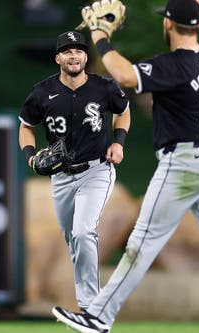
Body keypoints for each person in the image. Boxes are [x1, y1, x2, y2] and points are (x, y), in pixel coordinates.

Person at [52, 0, 199, 333]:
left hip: (185, 164)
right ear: (195, 24)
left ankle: (98, 317)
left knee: (142, 241)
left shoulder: (173, 65)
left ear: (169, 25)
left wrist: (100, 36)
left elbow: (123, 74)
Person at [19, 30, 131, 310]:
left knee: (83, 233)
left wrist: (118, 143)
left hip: (97, 171)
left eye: (79, 51)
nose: (74, 55)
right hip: (60, 177)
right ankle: (88, 306)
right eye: (68, 51)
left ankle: (91, 308)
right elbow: (26, 127)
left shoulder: (104, 87)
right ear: (58, 58)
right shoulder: (42, 92)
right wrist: (31, 157)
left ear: (85, 57)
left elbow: (123, 111)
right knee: (74, 241)